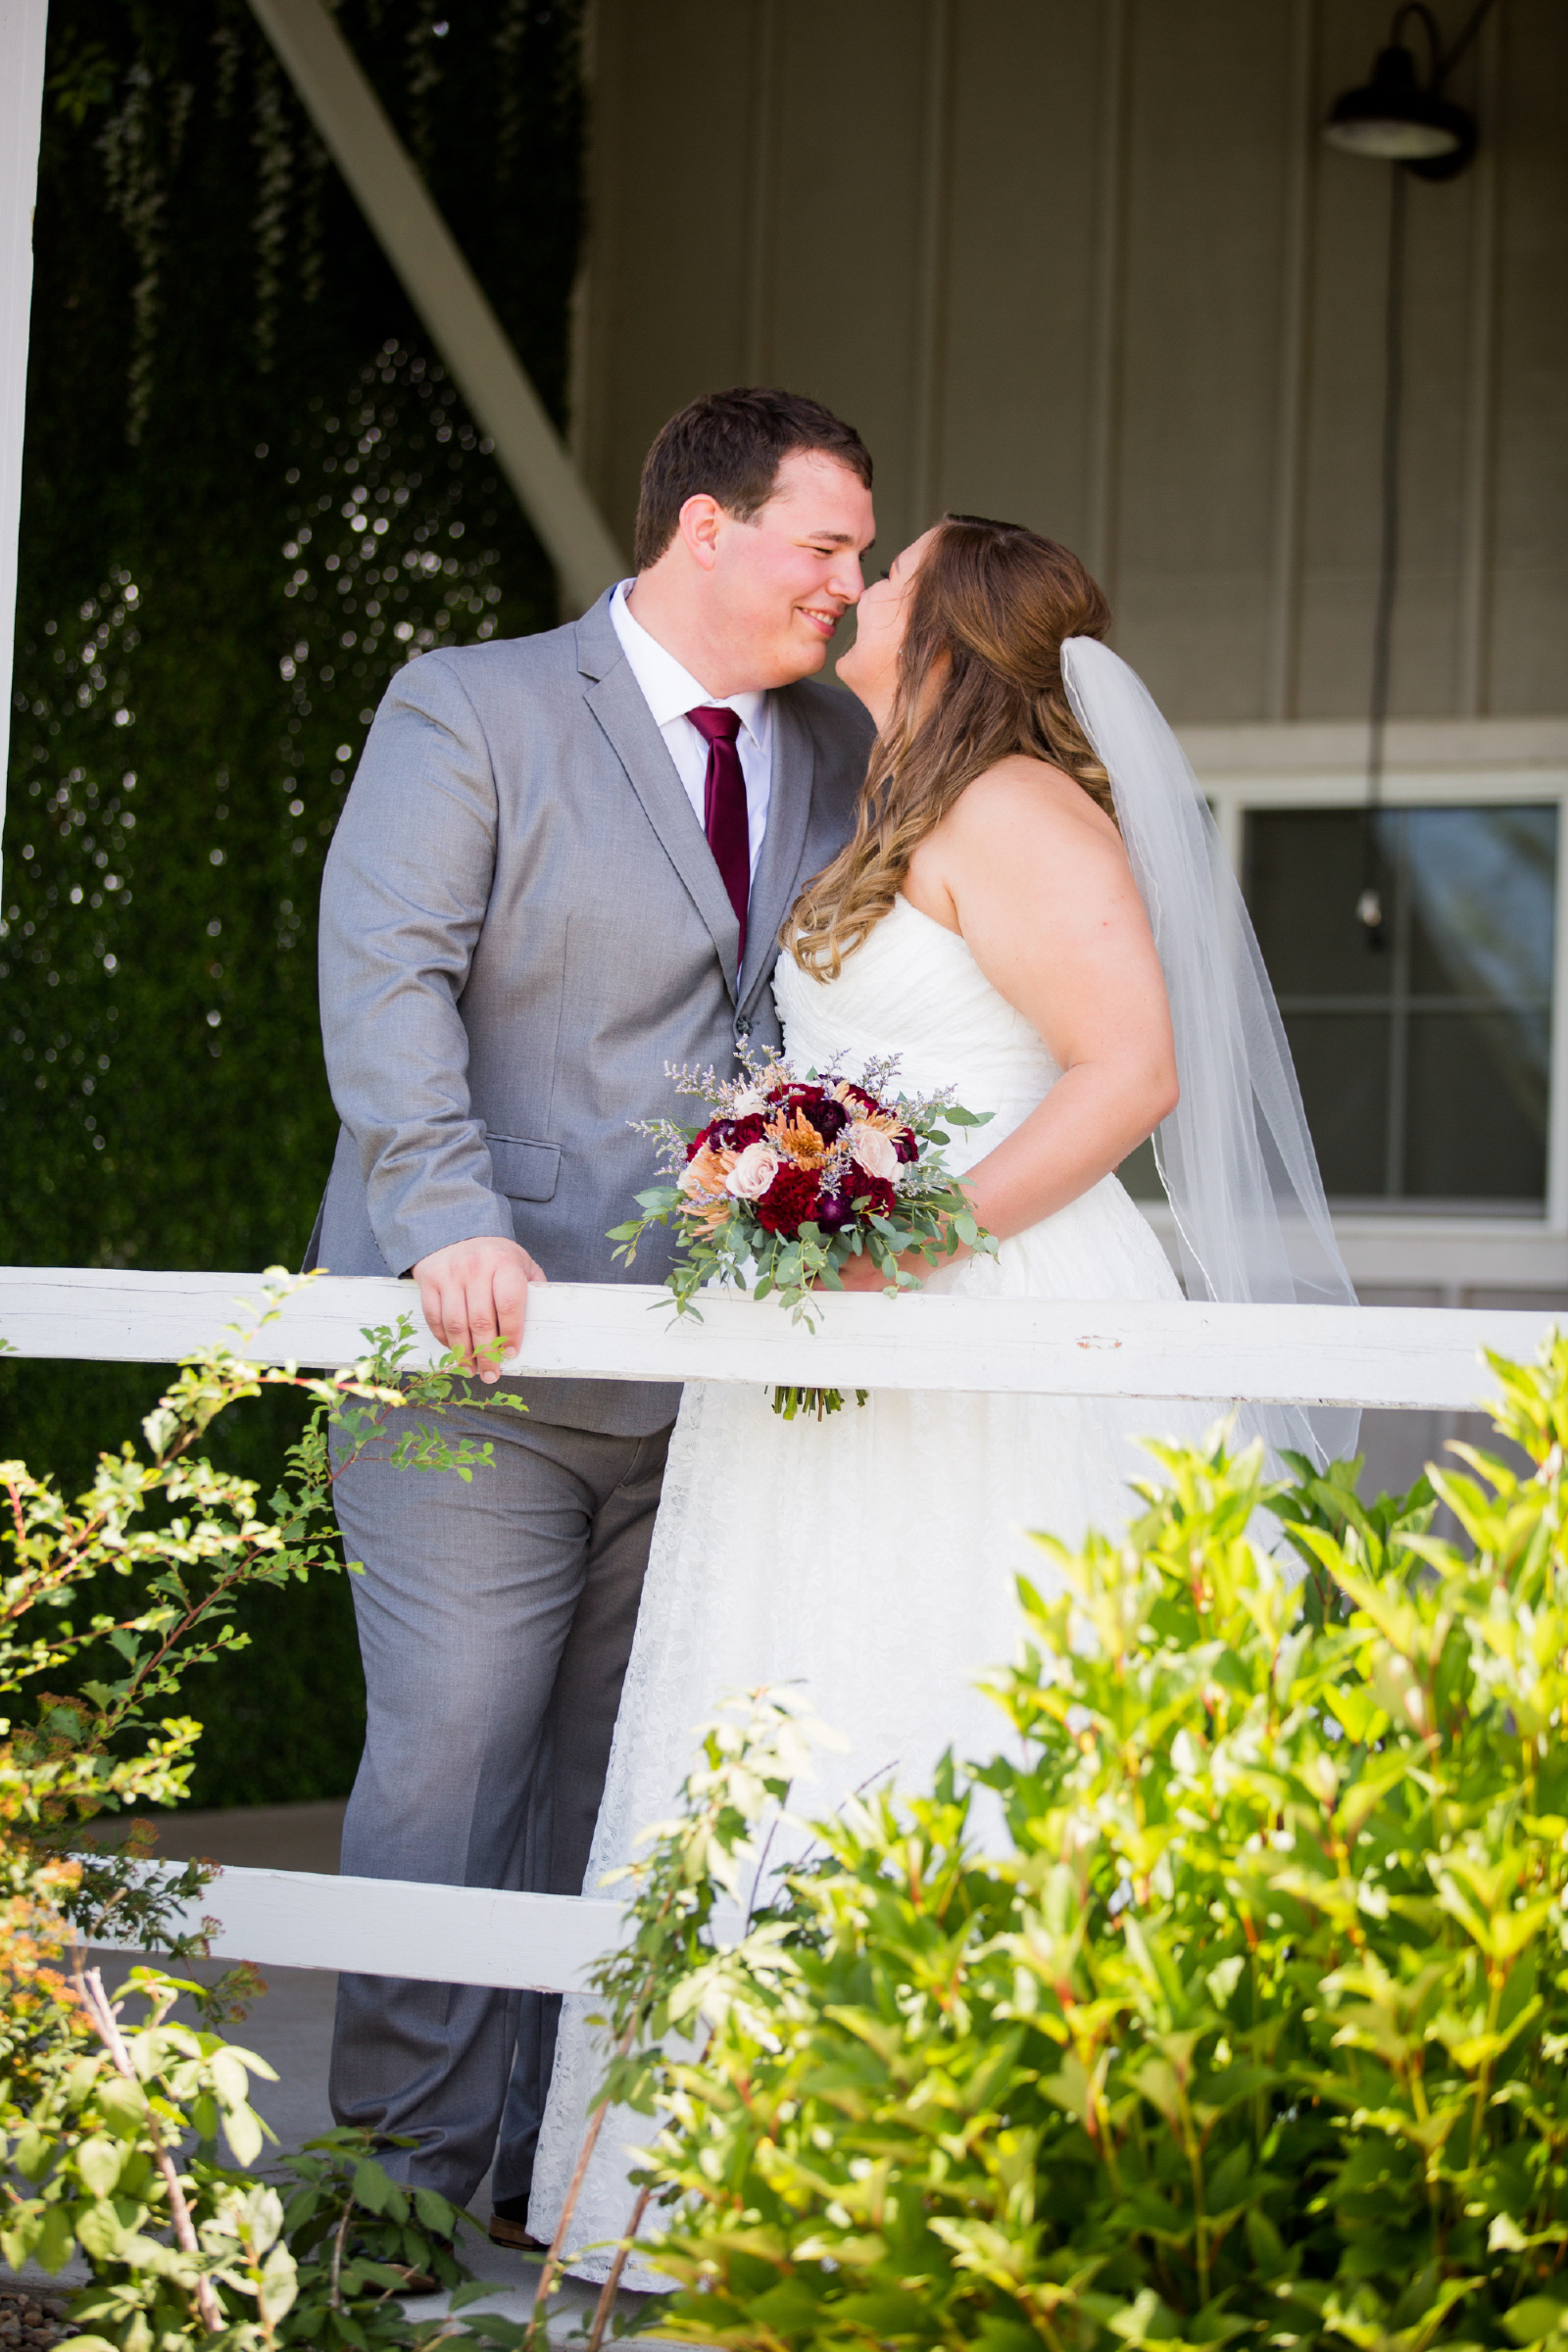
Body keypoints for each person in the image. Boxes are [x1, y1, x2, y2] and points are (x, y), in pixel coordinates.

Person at [526, 514, 1357, 2282]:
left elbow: (1132, 1068)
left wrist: (916, 1242)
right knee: (798, 1674)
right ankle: (747, 2179)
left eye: (889, 573)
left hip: (999, 1310)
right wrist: (780, 1179)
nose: (860, 590)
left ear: (956, 626)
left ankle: (975, 2188)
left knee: (963, 1673)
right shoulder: (903, 805)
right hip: (844, 1331)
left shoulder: (1021, 811)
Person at [308, 387, 878, 2260]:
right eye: (825, 545)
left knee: (607, 1789)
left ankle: (551, 2182)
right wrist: (445, 1218)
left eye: (861, 556)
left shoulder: (840, 737)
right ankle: (383, 2205)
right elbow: (387, 966)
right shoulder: (469, 704)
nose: (847, 585)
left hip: (709, 1369)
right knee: (452, 1761)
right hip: (480, 1352)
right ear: (703, 529)